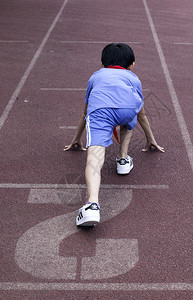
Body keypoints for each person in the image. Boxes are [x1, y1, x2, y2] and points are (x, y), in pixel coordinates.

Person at [64, 43, 164, 226]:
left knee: (94, 159)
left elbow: (85, 112)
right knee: (129, 117)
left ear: (102, 63)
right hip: (127, 110)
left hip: (100, 112)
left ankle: (92, 205)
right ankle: (123, 159)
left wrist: (76, 138)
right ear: (132, 64)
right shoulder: (133, 78)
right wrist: (151, 138)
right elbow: (140, 113)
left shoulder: (96, 76)